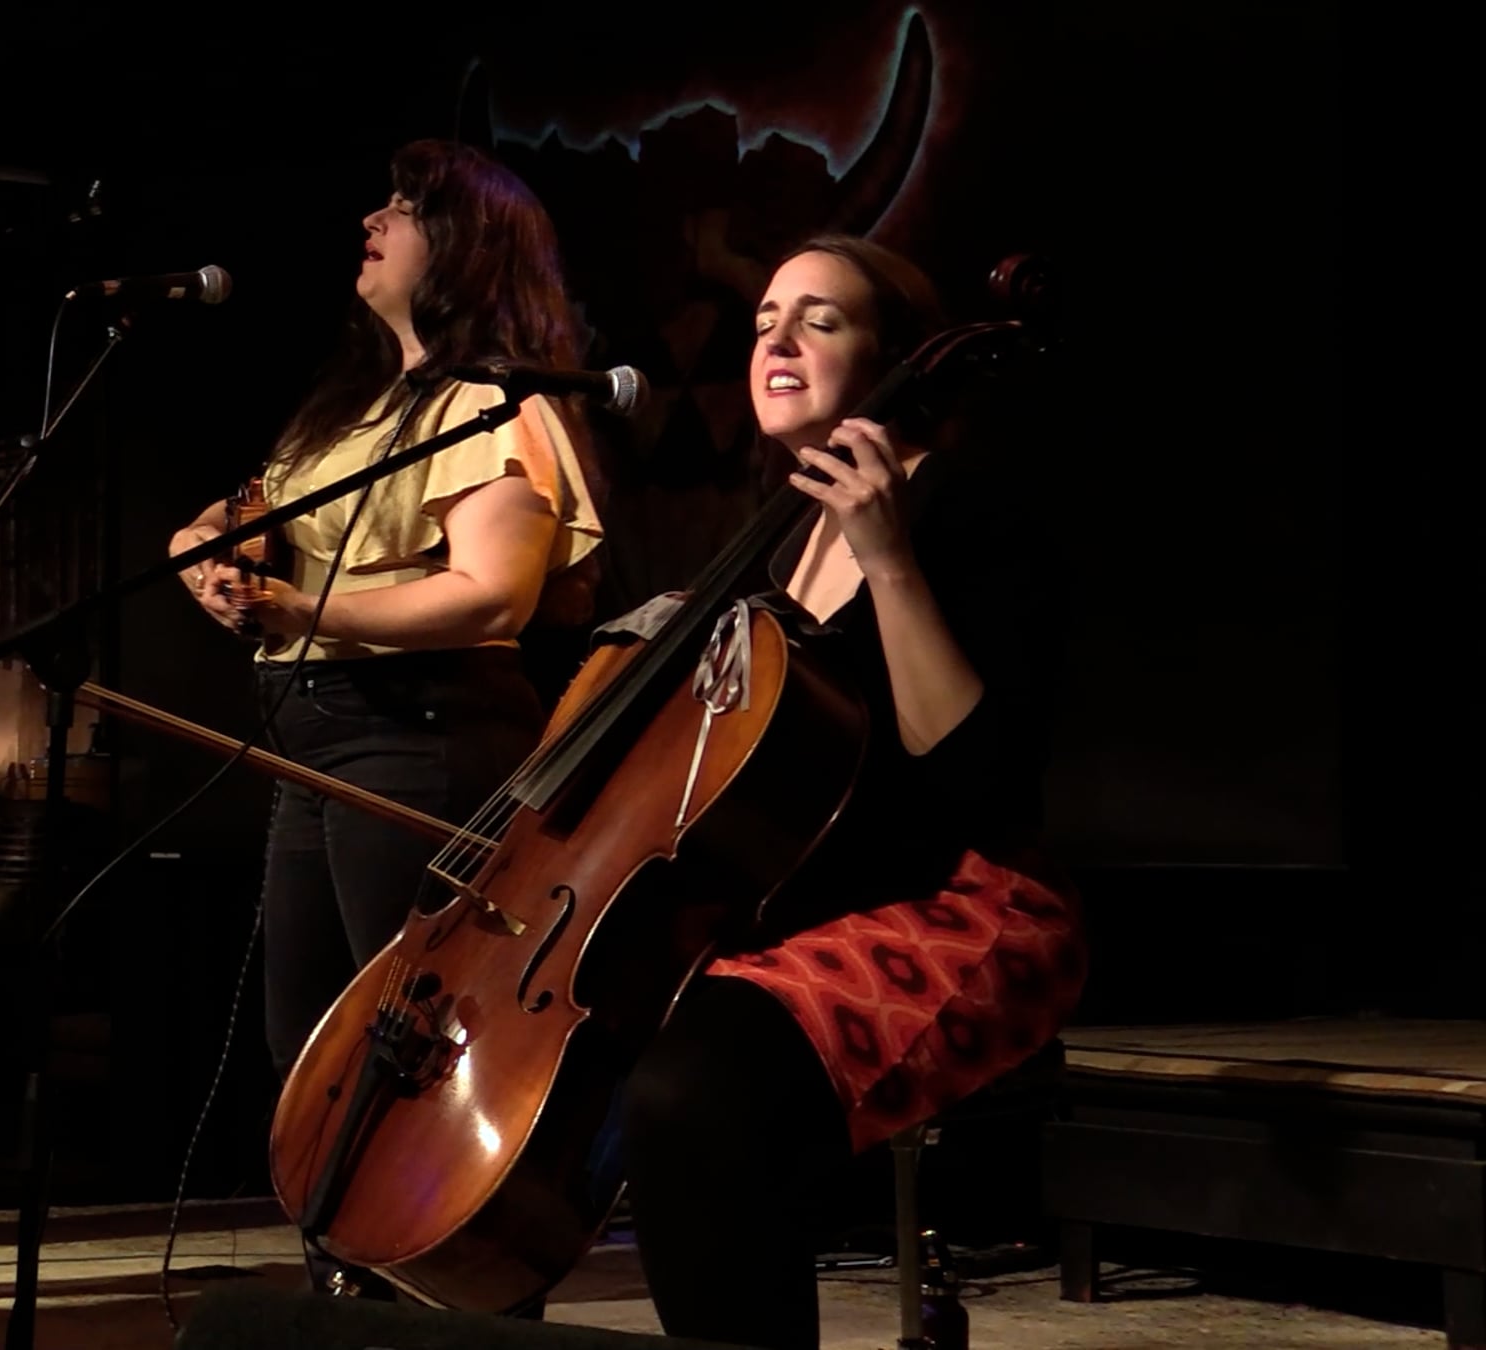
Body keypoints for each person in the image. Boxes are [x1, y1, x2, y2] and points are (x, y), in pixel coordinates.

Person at [608, 235, 1084, 1350]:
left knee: (695, 1093)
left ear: (896, 361)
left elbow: (974, 778)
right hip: (821, 903)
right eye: (765, 320)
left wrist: (889, 560)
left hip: (970, 906)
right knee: (637, 1080)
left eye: (819, 321)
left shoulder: (966, 515)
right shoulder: (776, 548)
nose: (776, 339)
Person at [165, 139, 604, 1300]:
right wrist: (199, 555)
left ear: (462, 247)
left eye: (403, 207)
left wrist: (306, 608)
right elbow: (229, 516)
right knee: (309, 1040)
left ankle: (453, 1288)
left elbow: (493, 595)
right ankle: (347, 1285)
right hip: (315, 739)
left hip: (417, 731)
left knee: (409, 1042)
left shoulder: (488, 405)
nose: (372, 218)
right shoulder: (349, 412)